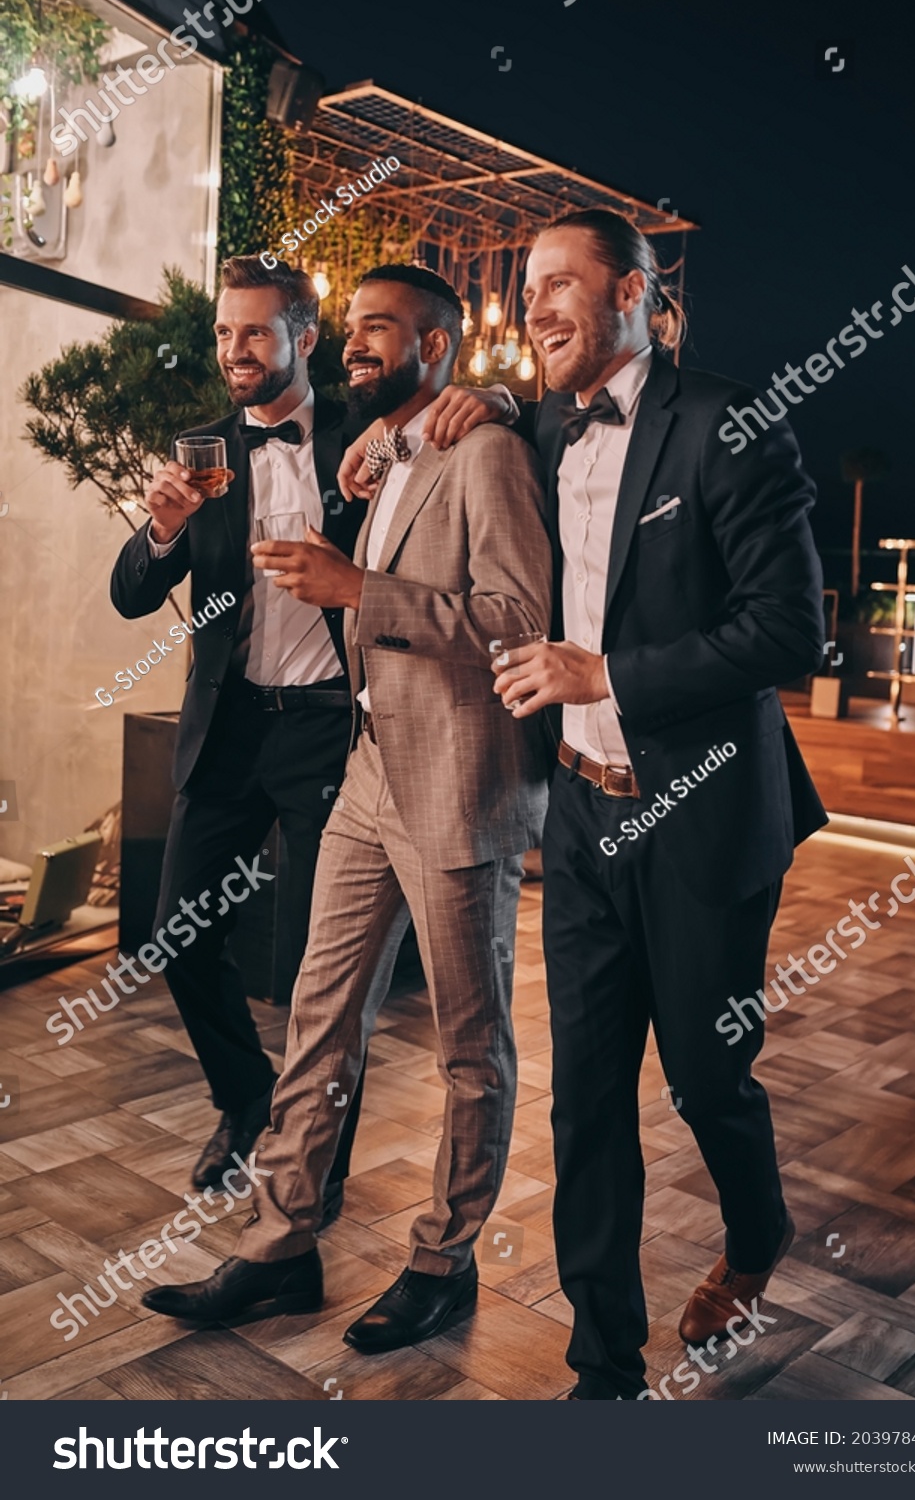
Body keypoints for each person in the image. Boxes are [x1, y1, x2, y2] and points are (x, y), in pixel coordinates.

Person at [344, 210, 828, 1400]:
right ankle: (602, 1366)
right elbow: (483, 440)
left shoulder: (726, 422)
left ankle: (755, 1235)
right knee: (587, 1096)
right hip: (579, 814)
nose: (538, 303)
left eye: (562, 282)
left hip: (703, 813)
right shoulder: (537, 423)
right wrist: (406, 433)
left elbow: (789, 632)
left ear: (633, 293)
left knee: (708, 1080)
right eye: (525, 285)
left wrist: (603, 676)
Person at [141, 264, 553, 1352]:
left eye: (382, 327)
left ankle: (443, 1259)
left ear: (439, 346)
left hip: (461, 783)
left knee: (471, 1048)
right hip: (367, 775)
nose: (359, 344)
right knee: (318, 1019)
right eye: (354, 327)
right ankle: (281, 1244)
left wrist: (356, 588)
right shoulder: (381, 453)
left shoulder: (489, 449)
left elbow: (517, 614)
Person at [110, 256, 369, 1217]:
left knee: (320, 972)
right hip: (228, 730)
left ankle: (319, 1166)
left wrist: (499, 410)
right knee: (179, 937)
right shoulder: (202, 455)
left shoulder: (365, 437)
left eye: (254, 332)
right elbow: (132, 594)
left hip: (331, 735)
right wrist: (164, 530)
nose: (234, 351)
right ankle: (244, 1097)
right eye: (224, 333)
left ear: (305, 334)